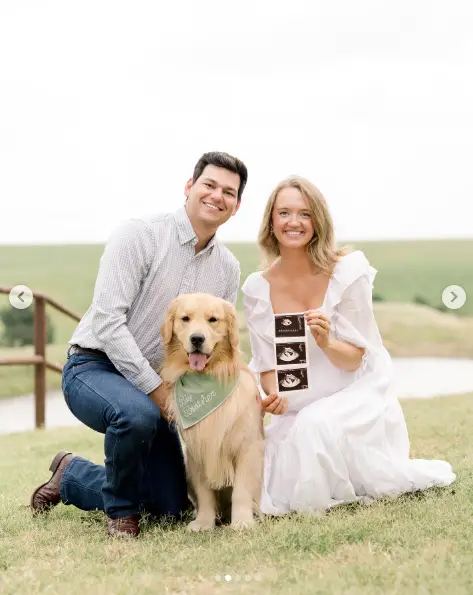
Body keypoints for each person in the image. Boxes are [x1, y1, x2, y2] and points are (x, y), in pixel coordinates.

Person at [30, 151, 274, 538]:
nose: (217, 196)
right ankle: (122, 516)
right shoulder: (139, 234)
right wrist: (158, 391)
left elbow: (216, 345)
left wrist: (246, 391)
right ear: (189, 187)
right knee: (138, 414)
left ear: (237, 206)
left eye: (229, 192)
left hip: (164, 384)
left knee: (171, 506)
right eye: (209, 185)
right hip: (94, 366)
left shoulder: (226, 267)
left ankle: (72, 476)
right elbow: (108, 322)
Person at [242, 176, 455, 516]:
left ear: (318, 222)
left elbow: (356, 358)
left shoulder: (346, 270)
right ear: (271, 221)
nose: (294, 222)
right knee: (273, 462)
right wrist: (274, 396)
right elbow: (268, 366)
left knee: (314, 430)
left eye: (305, 214)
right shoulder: (257, 288)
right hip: (299, 400)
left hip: (355, 391)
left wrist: (326, 341)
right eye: (284, 213)